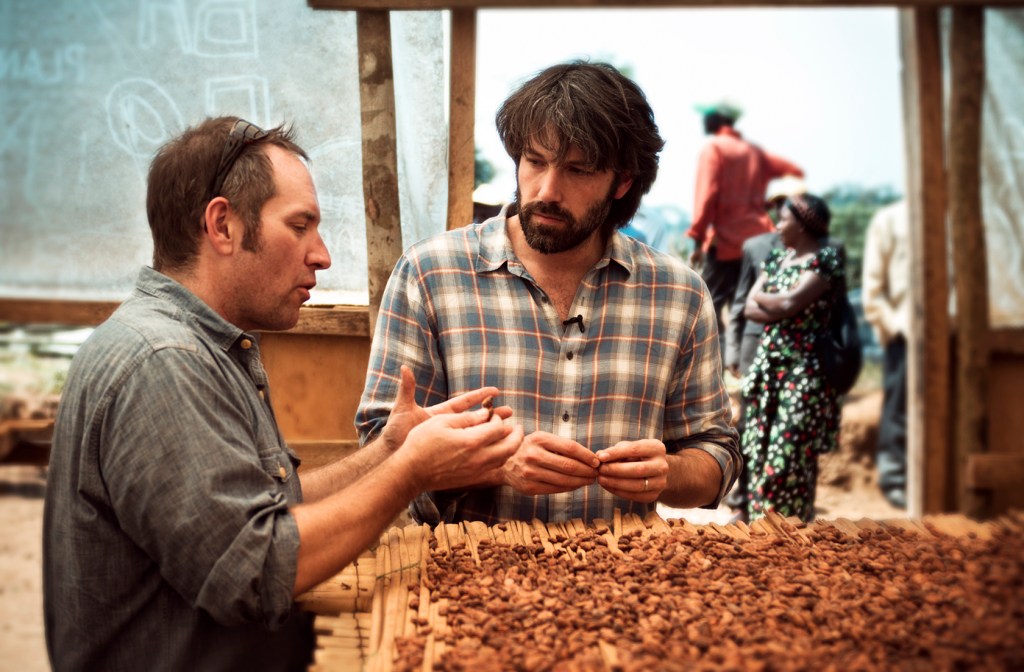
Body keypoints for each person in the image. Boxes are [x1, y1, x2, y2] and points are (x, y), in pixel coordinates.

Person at [42, 116, 522, 672]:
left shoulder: (201, 344)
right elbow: (256, 569)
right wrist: (411, 473)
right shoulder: (165, 361)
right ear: (222, 225)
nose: (321, 255)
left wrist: (390, 449)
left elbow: (267, 512)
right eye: (300, 226)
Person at [356, 61, 740, 526]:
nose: (547, 190)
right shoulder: (430, 275)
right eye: (535, 161)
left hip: (629, 585)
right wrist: (496, 465)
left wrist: (668, 474)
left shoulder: (678, 295)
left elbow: (717, 455)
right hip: (470, 578)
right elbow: (381, 452)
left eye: (578, 170)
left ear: (622, 182)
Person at [741, 193, 845, 523]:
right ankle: (763, 530)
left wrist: (770, 301)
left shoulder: (824, 262)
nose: (777, 225)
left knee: (788, 454)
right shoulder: (776, 260)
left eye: (783, 219)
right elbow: (749, 307)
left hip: (804, 370)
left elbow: (787, 304)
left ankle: (792, 528)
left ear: (801, 224)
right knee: (759, 449)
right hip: (769, 368)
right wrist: (779, 304)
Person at [687, 100, 804, 362]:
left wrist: (697, 239)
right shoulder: (753, 151)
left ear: (716, 120)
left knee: (708, 307)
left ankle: (718, 365)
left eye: (706, 117)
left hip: (726, 245)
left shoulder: (714, 148)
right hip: (760, 240)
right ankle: (748, 361)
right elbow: (794, 172)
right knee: (749, 304)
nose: (703, 122)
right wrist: (762, 205)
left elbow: (705, 198)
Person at [861, 199, 909, 509]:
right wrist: (894, 327)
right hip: (907, 332)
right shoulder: (892, 219)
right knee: (900, 403)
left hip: (958, 330)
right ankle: (894, 476)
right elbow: (873, 286)